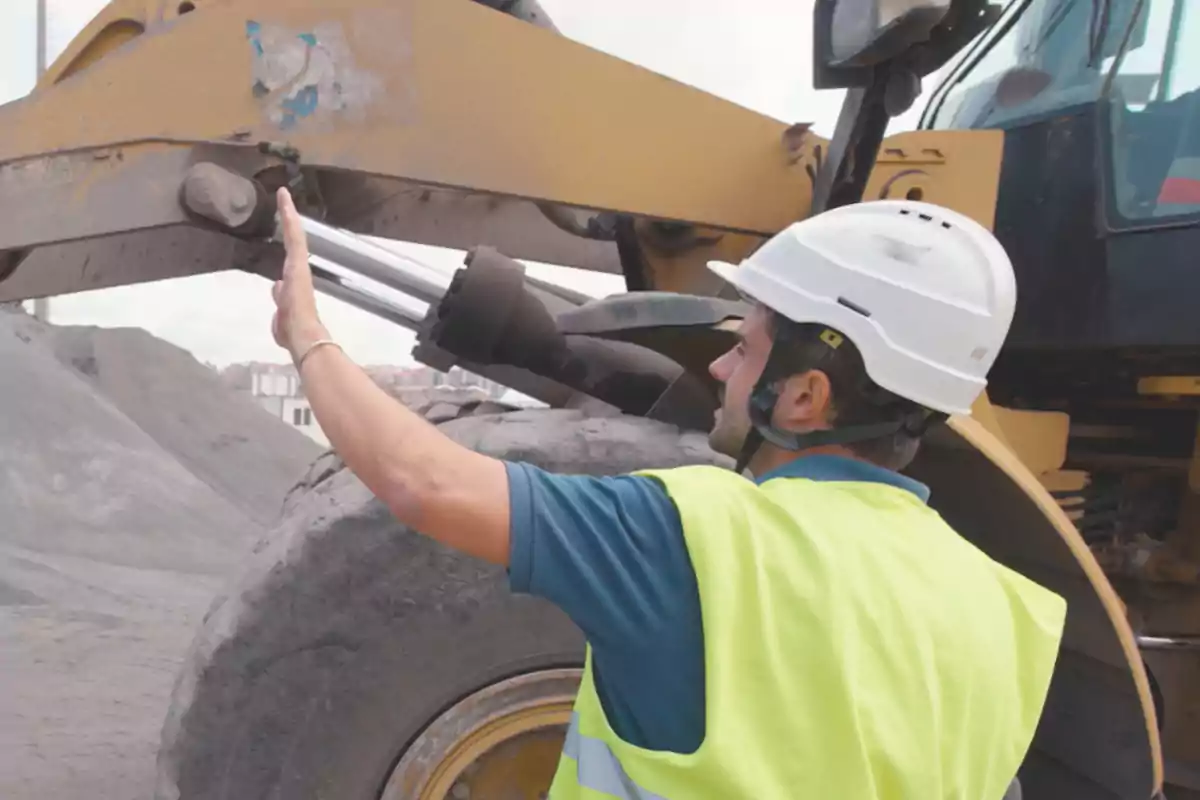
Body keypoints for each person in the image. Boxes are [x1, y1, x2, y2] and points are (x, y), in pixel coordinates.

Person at [269, 186, 1066, 799]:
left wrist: (307, 331)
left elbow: (424, 481)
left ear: (804, 398)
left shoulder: (698, 537)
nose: (719, 370)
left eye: (745, 351)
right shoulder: (1010, 613)